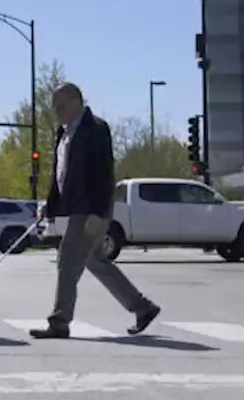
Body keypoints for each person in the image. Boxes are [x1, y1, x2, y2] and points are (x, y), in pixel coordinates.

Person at [29, 82, 161, 339]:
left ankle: (59, 322)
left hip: (91, 209)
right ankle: (143, 307)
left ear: (77, 101)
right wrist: (51, 205)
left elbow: (103, 174)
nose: (57, 111)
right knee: (95, 260)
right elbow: (61, 173)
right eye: (55, 107)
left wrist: (98, 213)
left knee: (68, 260)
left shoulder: (95, 129)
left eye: (61, 106)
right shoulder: (64, 132)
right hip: (79, 208)